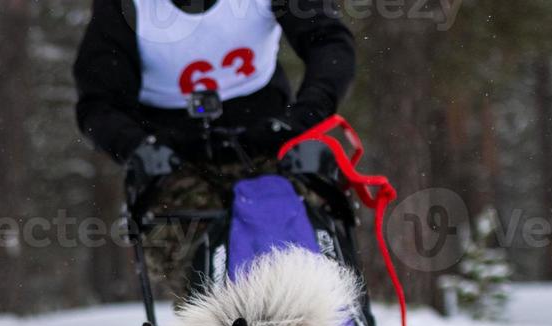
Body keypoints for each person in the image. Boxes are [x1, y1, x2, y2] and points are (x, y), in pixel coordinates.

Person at [75, 0, 356, 288]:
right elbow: (98, 103)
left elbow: (330, 43)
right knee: (207, 271)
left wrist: (304, 116)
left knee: (304, 248)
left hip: (270, 146)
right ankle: (222, 323)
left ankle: (325, 317)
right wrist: (137, 147)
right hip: (175, 164)